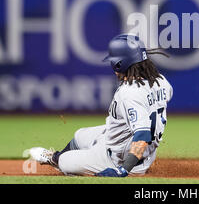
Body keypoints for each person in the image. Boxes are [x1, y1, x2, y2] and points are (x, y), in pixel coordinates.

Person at [29, 34, 173, 177]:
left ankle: (57, 159)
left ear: (119, 64)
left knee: (65, 162)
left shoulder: (129, 93)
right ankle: (62, 156)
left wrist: (122, 171)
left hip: (121, 161)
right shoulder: (161, 81)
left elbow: (142, 135)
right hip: (137, 151)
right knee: (80, 135)